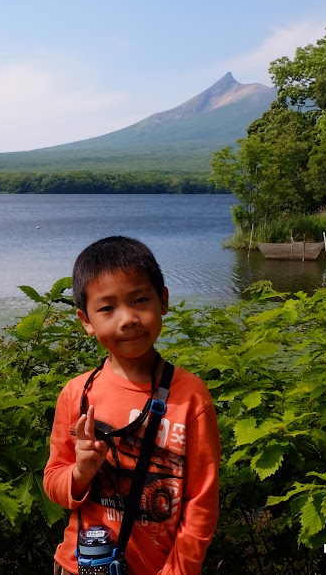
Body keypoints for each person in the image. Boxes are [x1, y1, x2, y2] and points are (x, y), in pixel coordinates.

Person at [44, 236, 220, 575]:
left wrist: (179, 570)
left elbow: (202, 501)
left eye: (140, 300)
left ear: (163, 300)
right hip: (80, 564)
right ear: (86, 321)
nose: (127, 319)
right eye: (107, 308)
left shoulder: (191, 396)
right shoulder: (77, 393)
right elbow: (54, 483)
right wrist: (81, 472)